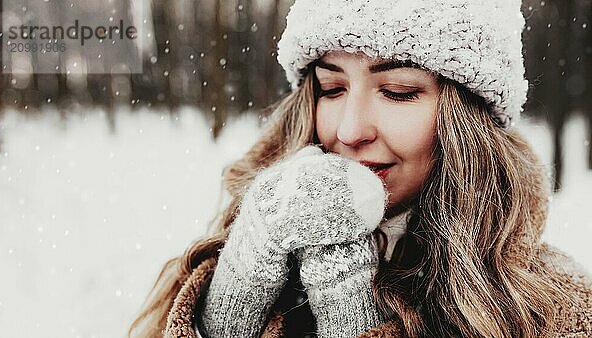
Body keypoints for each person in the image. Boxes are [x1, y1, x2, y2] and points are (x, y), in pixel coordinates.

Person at [129, 0, 592, 337]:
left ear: (468, 120)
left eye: (397, 91)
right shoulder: (246, 248)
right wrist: (231, 304)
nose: (350, 131)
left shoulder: (556, 311)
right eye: (332, 88)